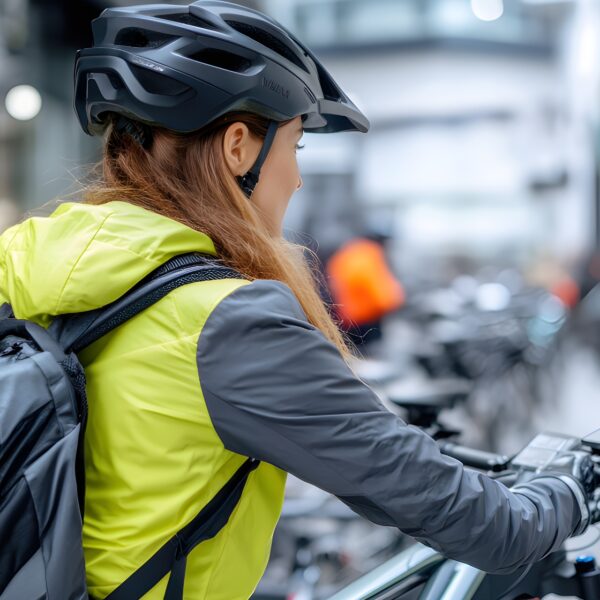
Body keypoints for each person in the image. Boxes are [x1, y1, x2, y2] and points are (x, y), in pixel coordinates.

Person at [0, 2, 595, 598]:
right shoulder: (227, 322)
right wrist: (568, 488)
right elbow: (492, 530)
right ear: (238, 147)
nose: (299, 178)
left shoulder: (24, 266)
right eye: (296, 146)